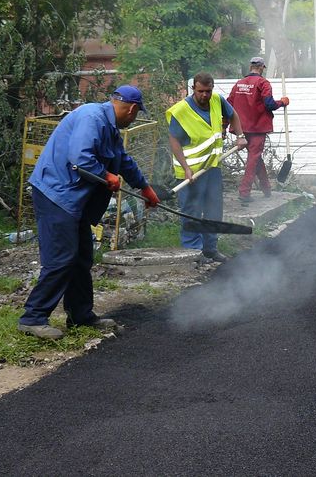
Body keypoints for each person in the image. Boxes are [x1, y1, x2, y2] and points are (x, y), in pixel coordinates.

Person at [18, 85, 161, 340]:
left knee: (82, 257)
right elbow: (80, 158)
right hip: (56, 195)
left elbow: (124, 161)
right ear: (132, 109)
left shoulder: (109, 128)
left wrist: (145, 187)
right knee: (61, 258)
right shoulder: (91, 117)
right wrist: (106, 175)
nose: (134, 117)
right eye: (137, 113)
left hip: (73, 200)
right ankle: (33, 318)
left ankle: (81, 315)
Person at [166, 72, 246, 263]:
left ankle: (210, 249)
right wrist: (186, 168)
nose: (205, 95)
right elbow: (174, 141)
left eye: (208, 91)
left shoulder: (217, 100)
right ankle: (193, 252)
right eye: (201, 91)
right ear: (193, 88)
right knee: (191, 211)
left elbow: (233, 114)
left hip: (212, 167)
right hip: (190, 171)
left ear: (212, 89)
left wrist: (240, 135)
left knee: (213, 209)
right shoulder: (181, 111)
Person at [227, 56, 289, 203]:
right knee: (253, 159)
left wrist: (223, 128)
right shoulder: (263, 83)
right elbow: (269, 104)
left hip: (241, 128)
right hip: (257, 128)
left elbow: (228, 105)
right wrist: (283, 102)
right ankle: (244, 192)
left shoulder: (239, 84)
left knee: (256, 157)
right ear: (261, 68)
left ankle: (266, 189)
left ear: (250, 67)